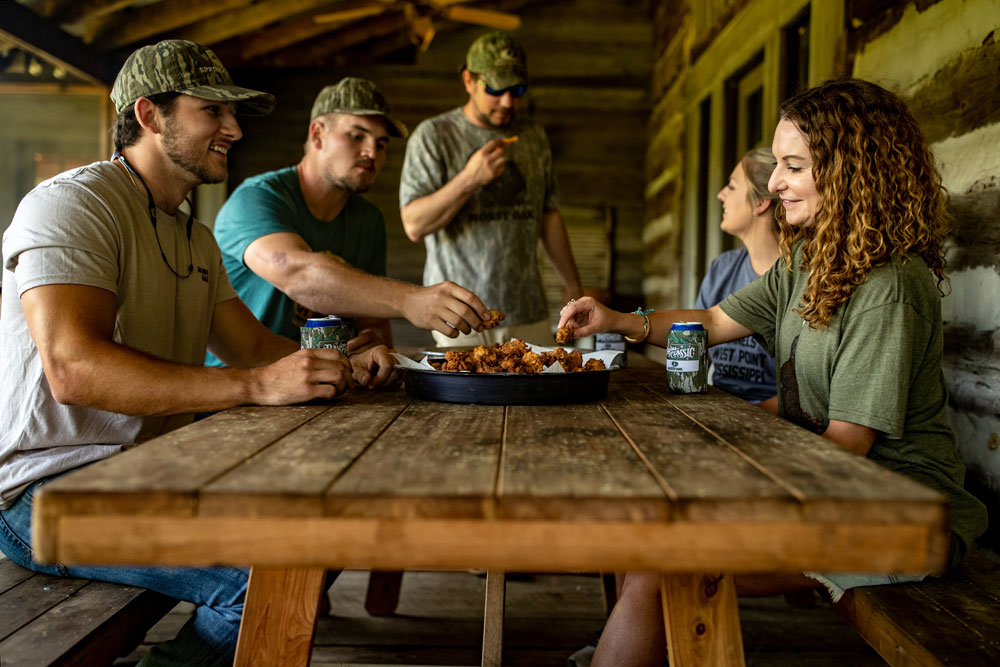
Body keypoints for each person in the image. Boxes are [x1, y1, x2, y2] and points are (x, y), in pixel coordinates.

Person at [559, 79, 989, 667]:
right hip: (831, 487)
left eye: (793, 166)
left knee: (667, 559)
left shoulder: (888, 287)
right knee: (654, 547)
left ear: (850, 172)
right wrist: (619, 319)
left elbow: (846, 446)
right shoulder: (810, 262)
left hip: (901, 514)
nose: (777, 182)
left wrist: (721, 468)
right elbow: (711, 318)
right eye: (777, 165)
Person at [0, 40, 389, 667]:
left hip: (147, 471)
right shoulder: (73, 203)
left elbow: (256, 348)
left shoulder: (195, 235)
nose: (234, 129)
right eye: (213, 111)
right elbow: (74, 369)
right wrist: (257, 386)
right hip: (45, 495)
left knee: (326, 526)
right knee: (271, 576)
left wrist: (340, 363)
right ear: (151, 115)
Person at [211, 77, 493, 362]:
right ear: (318, 134)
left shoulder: (368, 220)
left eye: (381, 143)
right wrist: (411, 300)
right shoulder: (256, 199)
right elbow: (300, 277)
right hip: (242, 387)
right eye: (357, 136)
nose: (372, 153)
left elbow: (373, 322)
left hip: (330, 386)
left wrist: (376, 347)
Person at [399, 31, 583, 347]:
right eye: (496, 88)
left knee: (536, 394)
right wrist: (470, 178)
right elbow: (414, 224)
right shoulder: (434, 136)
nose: (508, 101)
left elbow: (548, 216)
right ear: (468, 80)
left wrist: (574, 286)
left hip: (529, 310)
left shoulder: (533, 136)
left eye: (517, 89)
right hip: (457, 315)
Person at [695, 147, 780, 411]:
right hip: (718, 411)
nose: (721, 194)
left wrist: (741, 416)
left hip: (783, 424)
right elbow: (696, 346)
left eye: (732, 186)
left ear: (760, 202)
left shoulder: (800, 277)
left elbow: (812, 395)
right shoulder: (723, 268)